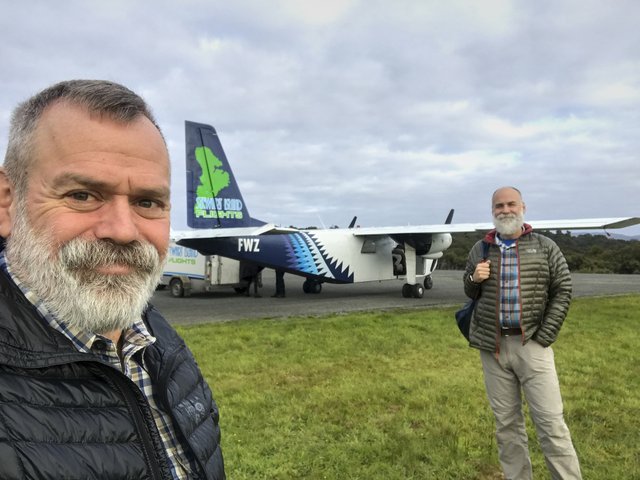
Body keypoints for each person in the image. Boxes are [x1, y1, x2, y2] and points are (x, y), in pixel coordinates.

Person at [0, 80, 225, 479]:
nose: (123, 231)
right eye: (82, 195)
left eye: (147, 202)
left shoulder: (157, 340)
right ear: (6, 202)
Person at [463, 186, 581, 480]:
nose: (505, 210)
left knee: (551, 424)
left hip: (532, 345)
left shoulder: (544, 246)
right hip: (493, 348)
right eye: (499, 206)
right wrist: (473, 277)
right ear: (493, 212)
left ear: (523, 207)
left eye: (511, 204)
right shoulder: (480, 249)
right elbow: (469, 291)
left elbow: (563, 290)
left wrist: (545, 336)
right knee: (506, 426)